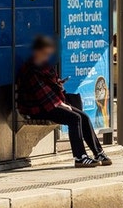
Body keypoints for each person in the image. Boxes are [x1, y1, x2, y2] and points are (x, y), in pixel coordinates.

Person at [15, 35, 111, 167]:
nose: (46, 57)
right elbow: (44, 96)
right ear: (37, 51)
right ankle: (80, 157)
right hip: (38, 108)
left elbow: (50, 87)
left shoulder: (43, 66)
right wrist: (63, 105)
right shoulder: (31, 69)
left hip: (49, 104)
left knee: (84, 116)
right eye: (44, 54)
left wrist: (59, 85)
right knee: (74, 118)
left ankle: (98, 152)